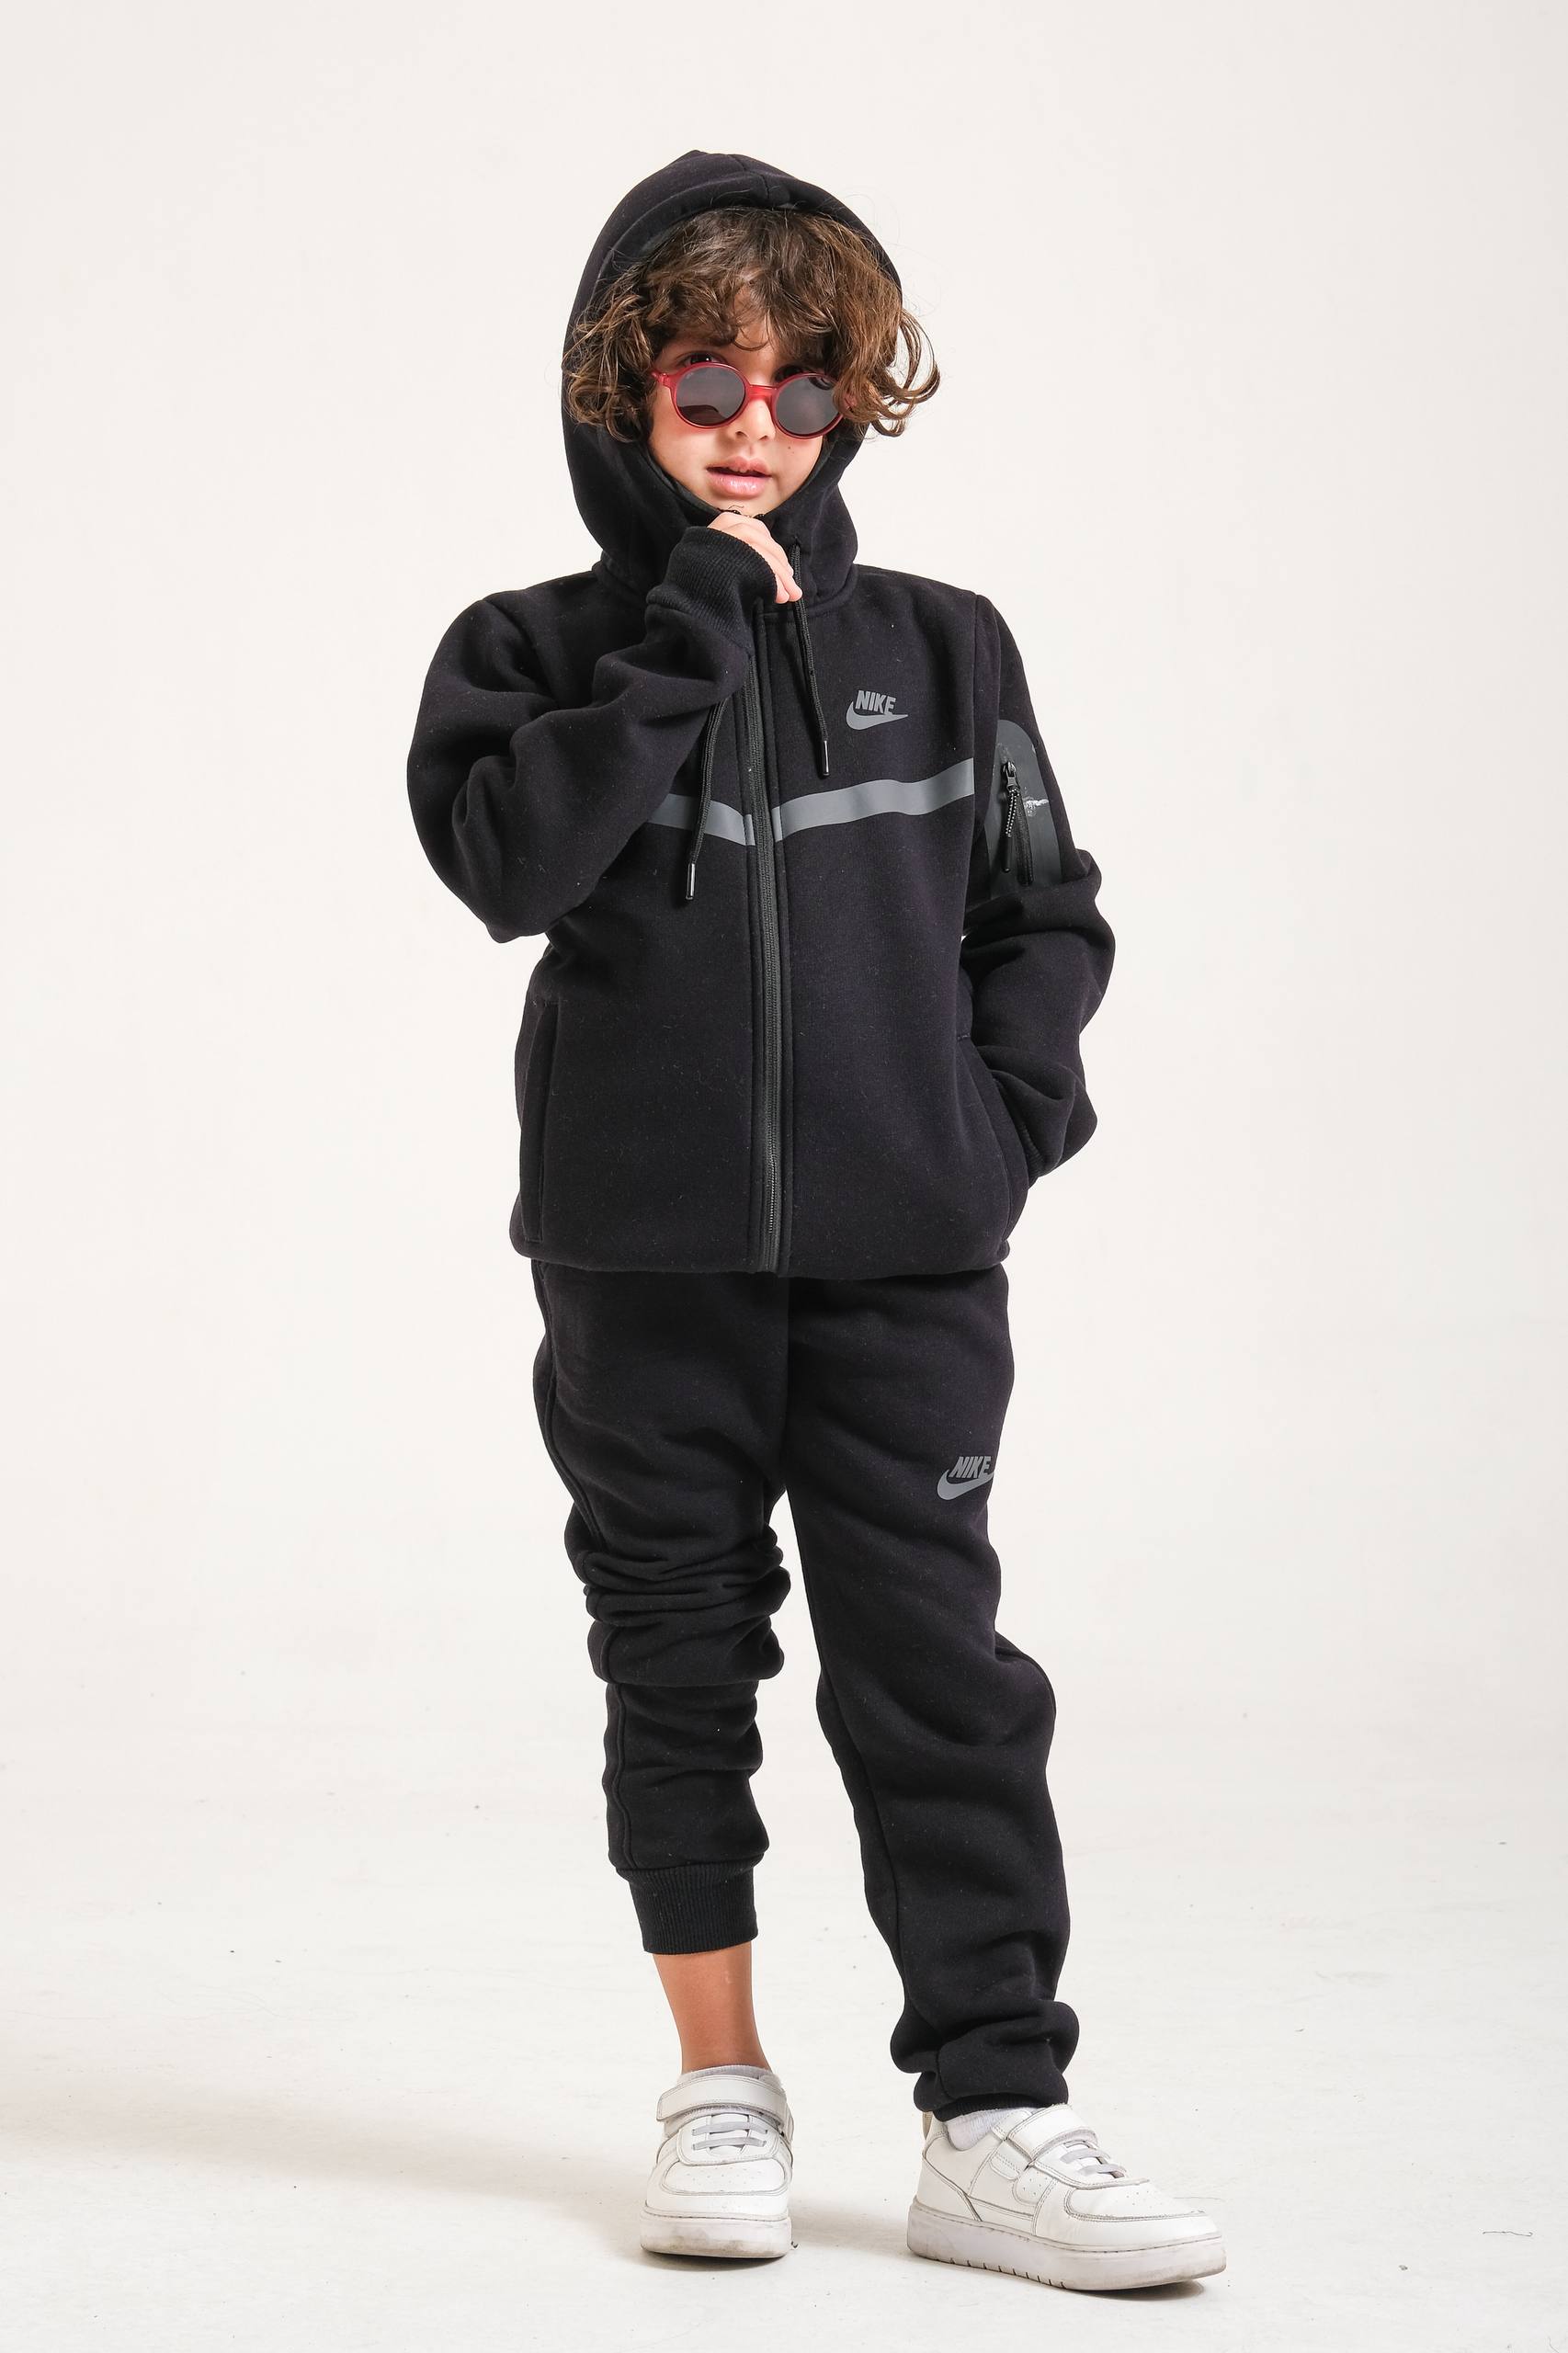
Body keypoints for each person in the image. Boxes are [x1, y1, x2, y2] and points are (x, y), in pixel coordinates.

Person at [406, 148, 1225, 2295]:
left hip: (905, 1262)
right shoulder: (526, 649)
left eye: (802, 385)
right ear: (622, 394)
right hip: (639, 1263)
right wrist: (690, 621)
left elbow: (1042, 912)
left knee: (937, 1673)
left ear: (855, 396)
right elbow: (508, 866)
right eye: (707, 386)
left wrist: (992, 1130)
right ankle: (720, 2080)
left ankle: (996, 2108)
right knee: (676, 1659)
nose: (756, 426)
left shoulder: (947, 649)